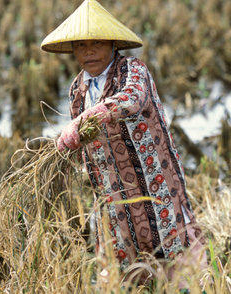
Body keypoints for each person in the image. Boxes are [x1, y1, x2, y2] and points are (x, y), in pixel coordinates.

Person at [41, 0, 207, 288]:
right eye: (81, 45)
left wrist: (85, 120)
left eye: (97, 43)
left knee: (171, 247)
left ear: (113, 45)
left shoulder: (132, 71)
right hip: (112, 192)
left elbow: (130, 99)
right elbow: (84, 142)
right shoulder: (77, 89)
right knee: (122, 256)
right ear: (73, 50)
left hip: (153, 182)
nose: (88, 51)